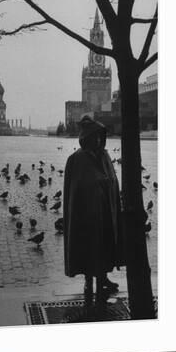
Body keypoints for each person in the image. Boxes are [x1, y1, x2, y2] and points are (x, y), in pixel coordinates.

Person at [63, 115, 124, 309]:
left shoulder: (105, 156)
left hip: (105, 215)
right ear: (87, 139)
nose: (98, 141)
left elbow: (112, 181)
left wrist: (108, 188)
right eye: (95, 137)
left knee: (104, 250)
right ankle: (89, 288)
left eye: (101, 137)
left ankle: (102, 283)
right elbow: (77, 190)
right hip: (86, 218)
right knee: (89, 253)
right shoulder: (77, 159)